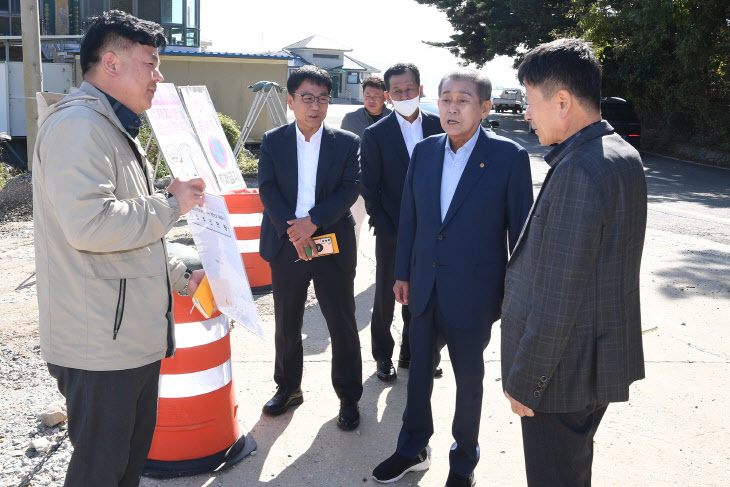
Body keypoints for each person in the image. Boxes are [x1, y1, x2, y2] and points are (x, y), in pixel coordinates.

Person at [32, 10, 206, 486]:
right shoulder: (80, 127)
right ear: (110, 63)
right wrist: (170, 203)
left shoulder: (111, 125)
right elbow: (91, 226)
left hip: (124, 339)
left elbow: (130, 230)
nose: (158, 75)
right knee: (100, 471)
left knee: (124, 468)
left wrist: (174, 270)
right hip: (99, 347)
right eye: (151, 63)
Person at [373, 70, 534, 487]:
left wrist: (512, 294)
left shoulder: (509, 157)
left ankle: (463, 463)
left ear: (485, 108)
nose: (452, 107)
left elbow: (520, 234)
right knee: (418, 375)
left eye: (464, 100)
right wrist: (402, 273)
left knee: (469, 382)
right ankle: (412, 448)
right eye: (446, 99)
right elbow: (411, 218)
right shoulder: (425, 153)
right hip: (424, 286)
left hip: (476, 292)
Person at [500, 38, 648, 487]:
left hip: (559, 377)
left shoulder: (580, 170)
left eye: (530, 102)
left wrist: (526, 381)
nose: (526, 113)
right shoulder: (622, 153)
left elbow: (557, 295)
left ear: (562, 101)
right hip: (590, 365)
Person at [258, 65, 363, 430]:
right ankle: (288, 389)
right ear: (291, 101)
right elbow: (267, 189)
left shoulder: (346, 142)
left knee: (342, 321)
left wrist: (312, 222)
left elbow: (350, 188)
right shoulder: (273, 140)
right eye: (306, 98)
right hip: (286, 240)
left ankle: (349, 397)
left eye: (322, 98)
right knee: (287, 321)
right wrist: (294, 230)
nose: (315, 106)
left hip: (330, 240)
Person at [359, 63, 444, 382]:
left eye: (409, 89)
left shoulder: (440, 126)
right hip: (393, 231)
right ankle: (383, 355)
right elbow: (369, 186)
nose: (404, 95)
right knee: (385, 295)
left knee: (423, 294)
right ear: (388, 96)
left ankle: (415, 352)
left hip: (434, 232)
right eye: (397, 91)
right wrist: (385, 224)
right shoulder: (376, 134)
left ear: (420, 90)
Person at [340, 76, 391, 248]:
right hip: (358, 185)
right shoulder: (350, 119)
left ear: (385, 96)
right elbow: (343, 153)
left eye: (376, 96)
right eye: (367, 95)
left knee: (387, 230)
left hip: (387, 187)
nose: (371, 99)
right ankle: (349, 270)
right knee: (352, 228)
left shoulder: (395, 120)